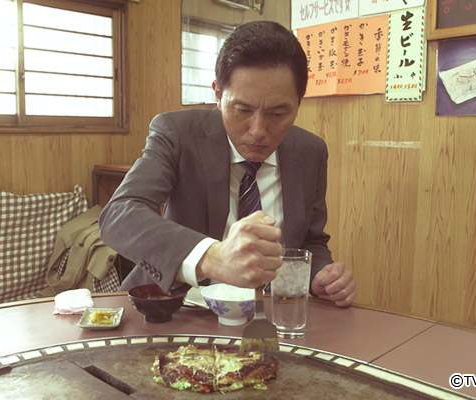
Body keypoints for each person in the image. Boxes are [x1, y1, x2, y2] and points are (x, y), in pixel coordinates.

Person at [99, 21, 355, 307]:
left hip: (264, 313)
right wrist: (213, 258)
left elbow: (310, 242)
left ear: (298, 103)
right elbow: (120, 214)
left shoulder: (310, 152)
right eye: (242, 110)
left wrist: (321, 275)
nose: (257, 131)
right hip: (172, 308)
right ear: (218, 95)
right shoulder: (178, 133)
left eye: (277, 114)